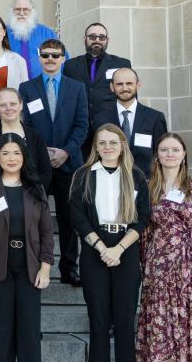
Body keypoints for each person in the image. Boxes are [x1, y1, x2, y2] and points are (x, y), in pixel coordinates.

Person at [70, 124, 152, 362]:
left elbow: (143, 218)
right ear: (96, 147)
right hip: (95, 248)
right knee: (98, 321)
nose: (108, 147)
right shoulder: (84, 175)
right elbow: (78, 217)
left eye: (113, 142)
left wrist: (118, 249)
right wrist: (101, 247)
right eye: (102, 143)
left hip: (125, 248)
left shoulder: (135, 176)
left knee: (125, 322)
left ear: (122, 146)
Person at [137, 133, 192, 362]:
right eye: (164, 150)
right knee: (160, 317)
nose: (170, 154)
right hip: (159, 263)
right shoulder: (149, 187)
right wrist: (144, 263)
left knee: (190, 317)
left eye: (175, 150)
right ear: (157, 156)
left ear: (184, 155)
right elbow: (144, 230)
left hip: (189, 264)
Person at [0, 135, 54, 362]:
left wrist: (45, 267)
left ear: (24, 157)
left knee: (28, 330)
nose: (11, 158)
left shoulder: (35, 188)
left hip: (30, 266)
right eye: (5, 153)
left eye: (16, 153)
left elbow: (46, 230)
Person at [19, 39, 90, 285]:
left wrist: (65, 152)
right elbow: (25, 124)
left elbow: (83, 125)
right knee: (33, 216)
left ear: (63, 58)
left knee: (69, 218)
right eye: (46, 55)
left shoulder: (77, 88)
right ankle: (34, 263)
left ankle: (70, 267)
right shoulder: (26, 88)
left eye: (55, 55)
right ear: (39, 57)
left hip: (68, 163)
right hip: (37, 163)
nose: (50, 60)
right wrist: (43, 153)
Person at [91, 67, 167, 176]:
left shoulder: (155, 118)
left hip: (146, 183)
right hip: (111, 180)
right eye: (119, 84)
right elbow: (96, 153)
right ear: (112, 87)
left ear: (138, 85)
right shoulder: (101, 119)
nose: (124, 88)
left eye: (129, 83)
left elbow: (161, 154)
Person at [0, 87, 51, 188]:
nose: (8, 108)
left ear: (21, 105)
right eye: (3, 105)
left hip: (32, 196)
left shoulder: (35, 135)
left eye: (13, 104)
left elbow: (45, 172)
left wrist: (35, 195)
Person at [64, 22, 132, 120]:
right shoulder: (70, 65)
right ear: (85, 39)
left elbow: (130, 97)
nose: (97, 40)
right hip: (79, 125)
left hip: (110, 124)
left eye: (102, 37)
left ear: (107, 40)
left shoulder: (121, 64)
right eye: (92, 37)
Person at [6, 0, 58, 79]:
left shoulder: (46, 33)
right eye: (18, 9)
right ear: (11, 11)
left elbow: (60, 58)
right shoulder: (3, 33)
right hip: (12, 86)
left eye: (26, 9)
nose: (21, 13)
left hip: (42, 85)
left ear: (33, 11)